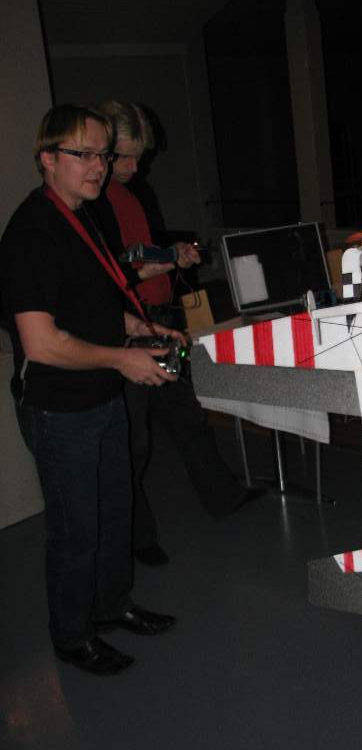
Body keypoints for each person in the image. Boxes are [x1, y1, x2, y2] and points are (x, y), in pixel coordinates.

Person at [0, 105, 179, 676]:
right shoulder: (31, 234)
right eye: (83, 154)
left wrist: (143, 330)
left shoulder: (84, 215)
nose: (98, 166)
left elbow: (95, 305)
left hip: (102, 396)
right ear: (47, 159)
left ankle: (111, 606)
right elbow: (41, 343)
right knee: (76, 530)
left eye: (102, 154)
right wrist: (123, 358)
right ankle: (72, 636)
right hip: (59, 409)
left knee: (113, 512)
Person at [95, 100, 253, 567]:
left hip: (161, 319)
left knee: (188, 417)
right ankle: (136, 535)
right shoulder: (93, 201)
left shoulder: (135, 192)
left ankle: (223, 497)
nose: (134, 167)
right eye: (126, 157)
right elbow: (109, 275)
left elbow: (143, 249)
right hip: (130, 328)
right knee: (133, 439)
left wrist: (173, 252)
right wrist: (160, 264)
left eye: (138, 157)